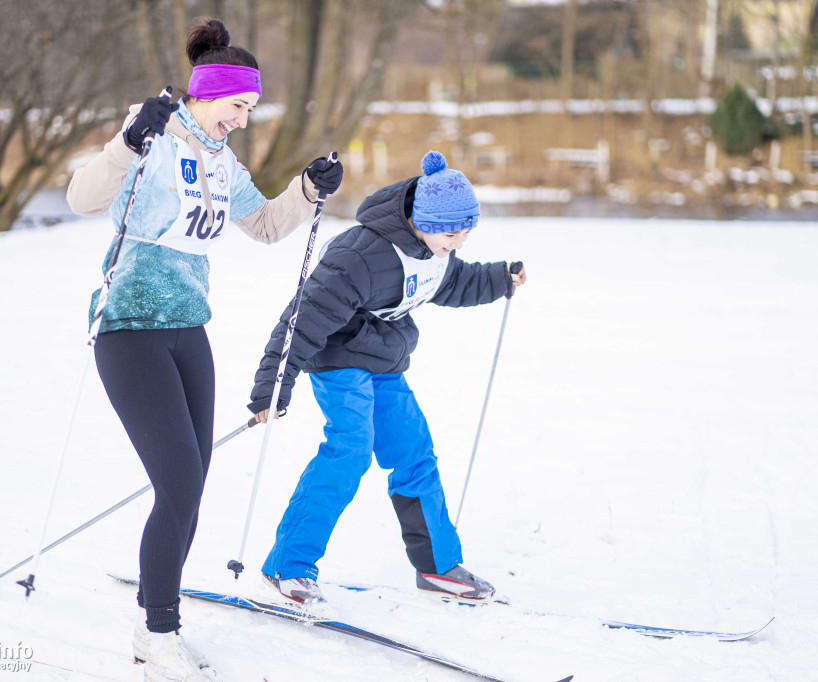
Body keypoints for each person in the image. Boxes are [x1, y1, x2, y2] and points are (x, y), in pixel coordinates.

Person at [66, 17, 342, 682]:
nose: (242, 121)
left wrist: (307, 190)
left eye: (251, 110)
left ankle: (153, 619)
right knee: (179, 481)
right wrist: (127, 144)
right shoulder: (153, 135)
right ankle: (158, 630)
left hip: (189, 331)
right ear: (207, 96)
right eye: (238, 108)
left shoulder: (222, 164)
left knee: (191, 487)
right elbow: (81, 198)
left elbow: (268, 228)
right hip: (129, 328)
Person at [248, 150, 526, 608]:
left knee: (415, 452)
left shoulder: (436, 250)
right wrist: (273, 384)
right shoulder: (361, 256)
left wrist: (499, 278)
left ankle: (437, 566)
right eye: (450, 231)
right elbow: (304, 319)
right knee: (350, 451)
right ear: (422, 219)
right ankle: (288, 568)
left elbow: (452, 282)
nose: (457, 242)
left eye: (466, 231)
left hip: (382, 359)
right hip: (336, 360)